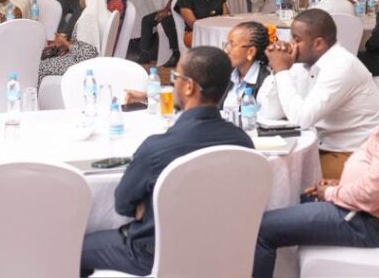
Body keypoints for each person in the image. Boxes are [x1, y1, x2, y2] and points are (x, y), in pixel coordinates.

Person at [252, 48, 379, 278]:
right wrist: (341, 186)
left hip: (369, 222)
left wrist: (332, 193)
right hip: (372, 213)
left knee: (261, 229)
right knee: (304, 197)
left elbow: (371, 196)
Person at [80, 47, 254, 276]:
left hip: (152, 254)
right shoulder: (243, 142)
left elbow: (122, 205)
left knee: (72, 248)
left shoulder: (156, 149)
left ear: (189, 86)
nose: (173, 83)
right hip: (223, 250)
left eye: (176, 77)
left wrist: (148, 208)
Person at [260, 9, 379, 178]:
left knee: (277, 175)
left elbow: (301, 120)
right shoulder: (303, 63)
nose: (290, 45)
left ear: (318, 44)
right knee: (264, 170)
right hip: (319, 146)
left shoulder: (341, 66)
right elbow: (271, 114)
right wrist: (280, 72)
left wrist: (281, 71)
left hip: (353, 154)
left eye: (297, 39)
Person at [125, 20, 272, 109]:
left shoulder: (267, 83)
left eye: (232, 44)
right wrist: (147, 97)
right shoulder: (225, 74)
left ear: (251, 52)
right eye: (226, 43)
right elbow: (189, 93)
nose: (226, 49)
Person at [38, 0, 105, 79]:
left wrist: (65, 42)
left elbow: (85, 55)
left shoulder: (88, 19)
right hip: (90, 62)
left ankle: (43, 90)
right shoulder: (101, 13)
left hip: (79, 65)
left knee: (41, 66)